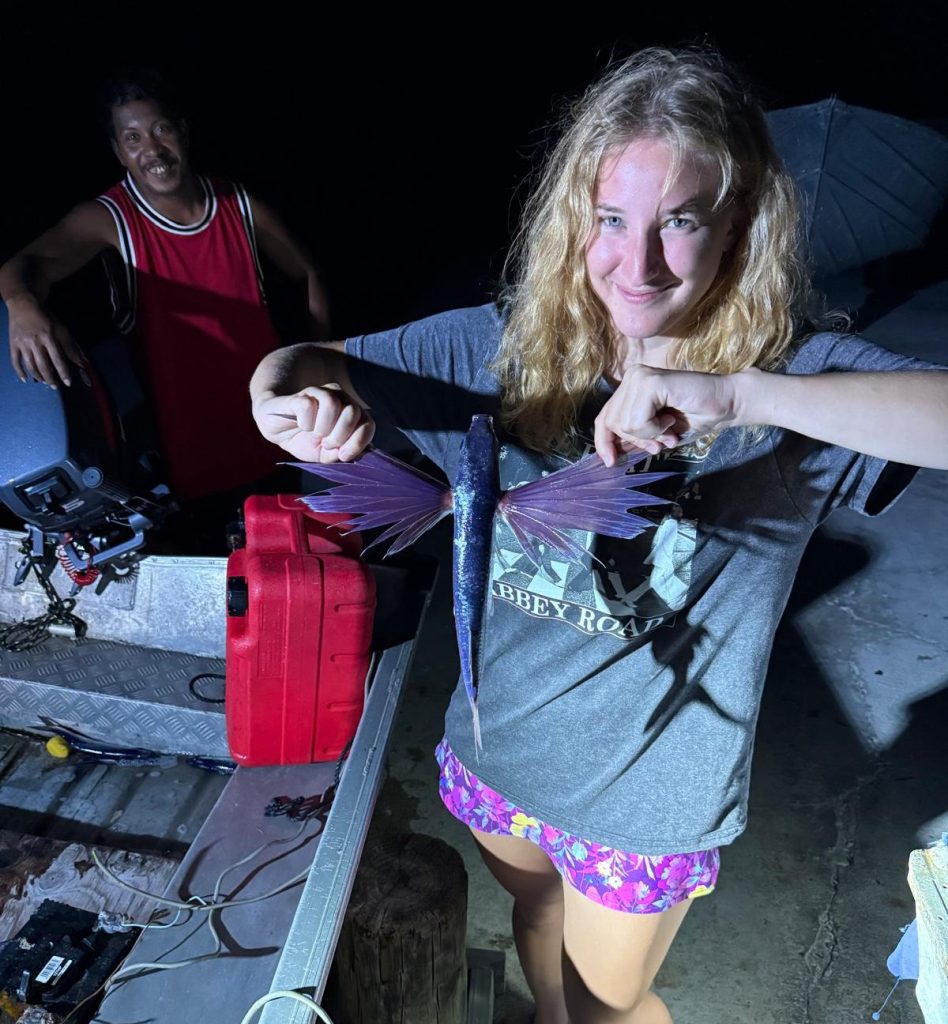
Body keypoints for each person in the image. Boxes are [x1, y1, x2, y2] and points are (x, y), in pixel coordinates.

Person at [249, 49, 948, 1024]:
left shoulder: (798, 383)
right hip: (500, 753)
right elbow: (302, 363)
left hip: (645, 802)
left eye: (681, 221)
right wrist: (284, 396)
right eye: (612, 218)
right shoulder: (493, 351)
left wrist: (745, 392)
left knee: (610, 1008)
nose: (640, 261)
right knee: (536, 924)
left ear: (737, 224)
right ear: (572, 215)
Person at [0, 73, 328, 504]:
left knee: (290, 556)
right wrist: (22, 306)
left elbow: (308, 274)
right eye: (132, 138)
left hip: (276, 434)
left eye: (161, 130)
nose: (152, 150)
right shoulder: (110, 219)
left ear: (183, 134)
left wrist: (321, 365)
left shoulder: (241, 204)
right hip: (195, 461)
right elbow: (22, 266)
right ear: (119, 152)